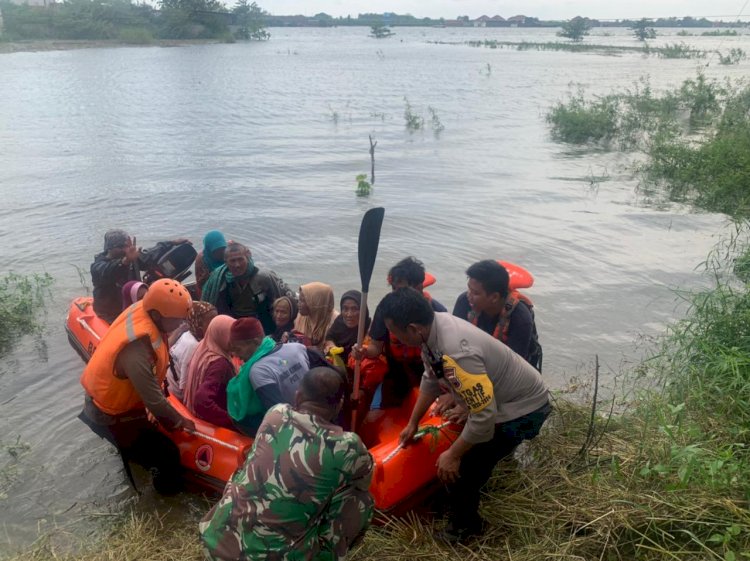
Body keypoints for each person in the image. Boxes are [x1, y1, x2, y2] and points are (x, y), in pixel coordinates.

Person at [380, 288, 551, 544]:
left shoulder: (456, 350)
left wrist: (453, 455)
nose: (394, 337)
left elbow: (483, 417)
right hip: (499, 398)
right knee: (469, 458)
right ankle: (462, 499)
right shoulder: (432, 331)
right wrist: (413, 423)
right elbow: (431, 377)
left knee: (466, 468)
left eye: (395, 331)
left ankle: (464, 530)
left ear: (414, 329)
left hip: (525, 409)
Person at [200, 367, 374, 561]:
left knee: (244, 469)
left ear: (298, 397)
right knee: (361, 500)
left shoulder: (276, 413)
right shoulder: (347, 446)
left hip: (216, 544)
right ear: (340, 405)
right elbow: (364, 481)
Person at [79, 279, 196, 493]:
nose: (181, 323)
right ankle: (166, 503)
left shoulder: (143, 310)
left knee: (144, 445)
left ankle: (136, 463)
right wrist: (180, 420)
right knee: (167, 454)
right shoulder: (136, 349)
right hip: (107, 414)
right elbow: (154, 401)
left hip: (116, 403)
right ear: (158, 315)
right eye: (178, 319)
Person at [355, 257, 447, 408]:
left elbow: (445, 357)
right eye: (393, 289)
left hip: (429, 372)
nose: (395, 295)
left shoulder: (438, 313)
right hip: (396, 370)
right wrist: (363, 351)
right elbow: (375, 348)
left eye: (400, 290)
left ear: (418, 287)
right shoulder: (386, 309)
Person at [227, 317, 311, 435]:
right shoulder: (297, 348)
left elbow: (279, 414)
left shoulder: (258, 371)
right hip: (316, 417)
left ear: (256, 341)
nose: (235, 354)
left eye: (238, 348)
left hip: (296, 431)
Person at [452, 260, 542, 370]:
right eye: (469, 289)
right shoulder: (464, 301)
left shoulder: (520, 319)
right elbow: (454, 341)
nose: (469, 295)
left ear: (494, 297)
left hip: (511, 369)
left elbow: (515, 367)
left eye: (475, 293)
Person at [201, 241, 295, 335]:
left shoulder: (264, 277)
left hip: (265, 328)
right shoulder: (220, 281)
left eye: (240, 259)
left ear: (248, 257)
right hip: (236, 328)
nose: (237, 265)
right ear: (226, 262)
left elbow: (289, 298)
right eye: (232, 261)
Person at [183, 315, 237, 429]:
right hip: (213, 427)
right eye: (232, 336)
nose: (236, 341)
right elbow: (202, 401)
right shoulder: (219, 363)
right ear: (221, 335)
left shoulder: (203, 348)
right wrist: (232, 421)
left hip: (193, 416)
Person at [166, 301, 217, 401]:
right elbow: (184, 385)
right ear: (198, 323)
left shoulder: (188, 335)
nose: (215, 324)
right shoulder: (193, 346)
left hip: (169, 388)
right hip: (176, 397)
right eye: (211, 321)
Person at [91, 229, 141, 323]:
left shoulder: (131, 257)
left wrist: (171, 243)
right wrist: (125, 261)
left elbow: (150, 257)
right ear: (110, 248)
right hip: (110, 313)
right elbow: (108, 271)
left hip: (132, 308)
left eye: (127, 246)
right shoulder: (98, 267)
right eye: (121, 246)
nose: (126, 249)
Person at [325, 290, 370, 362]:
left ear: (363, 310)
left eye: (354, 309)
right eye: (345, 309)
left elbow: (371, 351)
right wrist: (332, 347)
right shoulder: (340, 321)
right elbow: (329, 337)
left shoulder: (369, 328)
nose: (349, 314)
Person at [294, 282, 337, 352]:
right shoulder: (302, 317)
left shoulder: (335, 321)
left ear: (315, 302)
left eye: (302, 300)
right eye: (299, 299)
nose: (298, 303)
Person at [195, 230, 228, 298]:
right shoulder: (202, 260)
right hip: (208, 291)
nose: (221, 253)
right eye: (216, 251)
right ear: (209, 250)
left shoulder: (229, 253)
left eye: (222, 249)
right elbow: (200, 285)